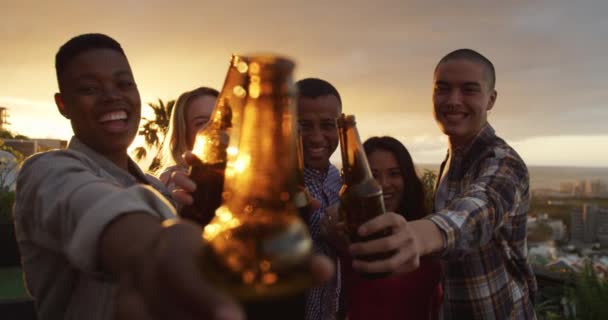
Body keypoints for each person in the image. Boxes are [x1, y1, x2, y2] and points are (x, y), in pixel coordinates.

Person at [13, 33, 333, 320]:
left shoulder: (161, 191)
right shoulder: (46, 171)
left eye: (124, 84)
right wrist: (158, 244)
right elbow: (92, 207)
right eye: (89, 88)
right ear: (62, 104)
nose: (112, 96)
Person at [347, 49, 537, 319]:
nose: (453, 100)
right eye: (443, 89)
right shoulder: (451, 162)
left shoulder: (504, 163)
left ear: (491, 99)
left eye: (469, 90)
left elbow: (477, 210)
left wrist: (419, 236)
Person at [338, 136, 442, 320]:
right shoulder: (349, 233)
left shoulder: (426, 228)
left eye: (394, 173)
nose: (384, 184)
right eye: (373, 175)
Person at [296, 78, 343, 320]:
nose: (316, 137)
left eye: (326, 125)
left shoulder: (342, 181)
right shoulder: (276, 184)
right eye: (304, 125)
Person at [157, 86, 219, 185]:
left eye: (221, 120)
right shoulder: (174, 183)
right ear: (183, 135)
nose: (215, 128)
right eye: (202, 122)